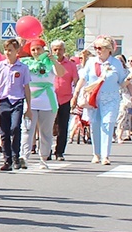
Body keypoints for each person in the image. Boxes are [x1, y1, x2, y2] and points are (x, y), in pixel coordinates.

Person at [80, 37, 126, 165]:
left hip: (111, 98)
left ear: (108, 50)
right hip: (94, 98)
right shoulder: (91, 62)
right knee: (95, 124)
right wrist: (76, 94)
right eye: (95, 48)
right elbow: (84, 78)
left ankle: (105, 155)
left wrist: (129, 79)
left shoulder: (116, 63)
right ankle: (96, 154)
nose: (97, 51)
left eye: (100, 48)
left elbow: (121, 81)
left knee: (108, 123)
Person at [22, 38, 65, 170]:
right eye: (33, 50)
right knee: (27, 130)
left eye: (38, 49)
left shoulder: (50, 64)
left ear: (44, 50)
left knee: (45, 132)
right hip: (31, 102)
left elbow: (61, 73)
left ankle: (43, 158)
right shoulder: (26, 64)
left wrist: (53, 60)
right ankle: (24, 156)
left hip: (47, 102)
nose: (36, 52)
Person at [0, 39, 30, 171]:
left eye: (11, 50)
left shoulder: (23, 68)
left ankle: (15, 156)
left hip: (17, 100)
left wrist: (29, 107)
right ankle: (7, 159)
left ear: (17, 51)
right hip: (3, 101)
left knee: (15, 128)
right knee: (4, 132)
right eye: (6, 50)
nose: (7, 53)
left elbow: (26, 87)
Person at [49, 39, 79, 159]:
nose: (58, 51)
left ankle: (59, 152)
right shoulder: (48, 64)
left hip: (65, 99)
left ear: (64, 50)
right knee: (49, 127)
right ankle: (47, 150)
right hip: (50, 99)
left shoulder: (71, 65)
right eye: (55, 49)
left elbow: (76, 82)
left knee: (63, 127)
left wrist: (75, 97)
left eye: (60, 49)